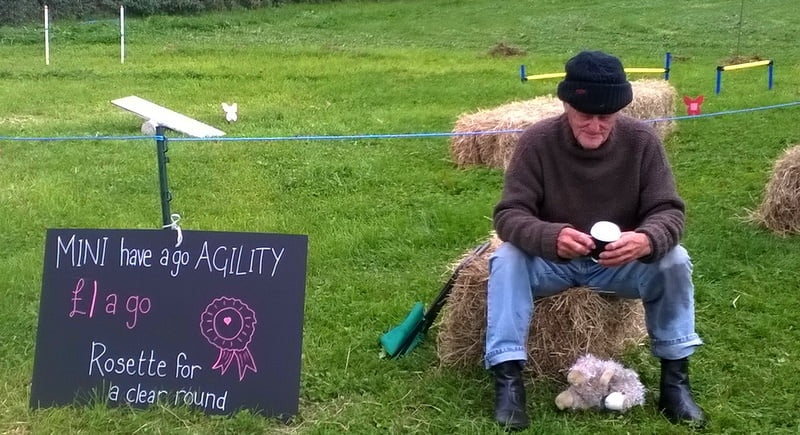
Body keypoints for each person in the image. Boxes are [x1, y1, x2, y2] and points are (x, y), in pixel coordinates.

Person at [485, 50, 706, 431]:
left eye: (606, 117)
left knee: (674, 258)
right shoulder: (537, 142)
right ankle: (508, 381)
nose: (595, 126)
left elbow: (669, 211)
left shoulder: (642, 142)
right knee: (507, 259)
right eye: (585, 115)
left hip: (618, 266)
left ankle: (675, 382)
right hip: (553, 264)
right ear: (566, 105)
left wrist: (646, 239)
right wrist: (550, 236)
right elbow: (509, 215)